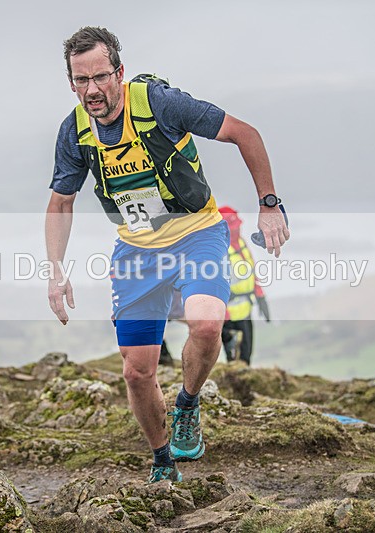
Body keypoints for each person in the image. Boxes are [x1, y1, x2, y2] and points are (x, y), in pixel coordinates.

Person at [45, 26, 289, 483]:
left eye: (100, 77)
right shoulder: (75, 132)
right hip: (137, 250)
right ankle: (162, 461)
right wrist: (55, 271)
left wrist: (269, 204)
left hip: (197, 233)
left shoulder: (161, 104)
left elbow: (245, 133)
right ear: (71, 82)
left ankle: (188, 406)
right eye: (81, 81)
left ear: (120, 72)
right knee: (138, 371)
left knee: (206, 321)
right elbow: (61, 202)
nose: (92, 90)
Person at [218, 206, 271, 366]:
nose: (237, 230)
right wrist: (222, 314)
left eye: (238, 226)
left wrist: (260, 296)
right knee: (235, 361)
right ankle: (236, 386)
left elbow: (251, 271)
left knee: (246, 357)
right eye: (234, 228)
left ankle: (244, 384)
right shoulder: (218, 250)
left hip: (245, 311)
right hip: (228, 317)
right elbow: (215, 285)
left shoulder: (241, 243)